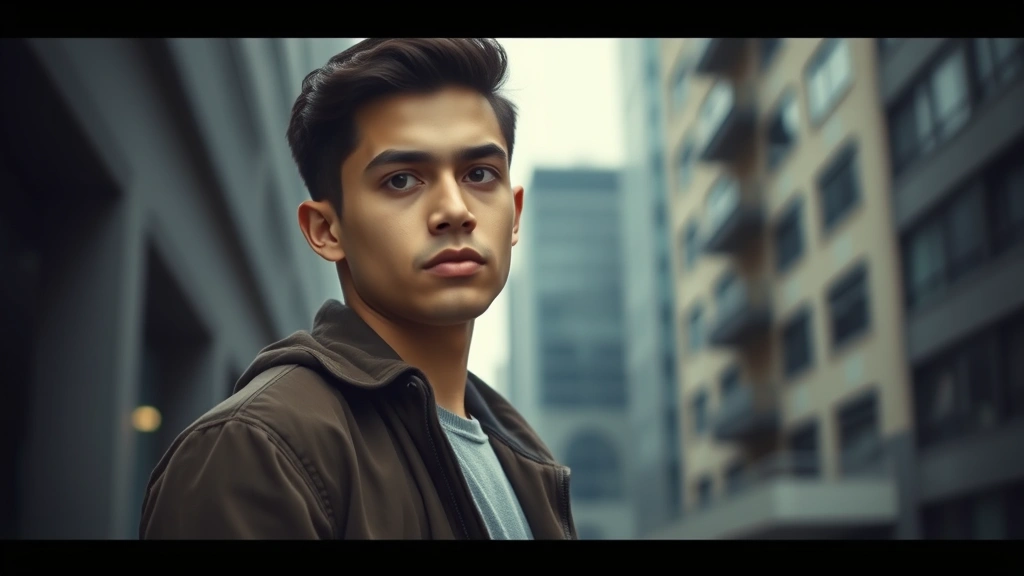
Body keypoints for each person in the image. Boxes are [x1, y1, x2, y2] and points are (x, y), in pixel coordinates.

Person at [138, 38, 577, 540]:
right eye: (402, 180)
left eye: (479, 174)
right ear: (326, 230)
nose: (455, 211)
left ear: (515, 214)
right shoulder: (258, 448)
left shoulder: (524, 460)